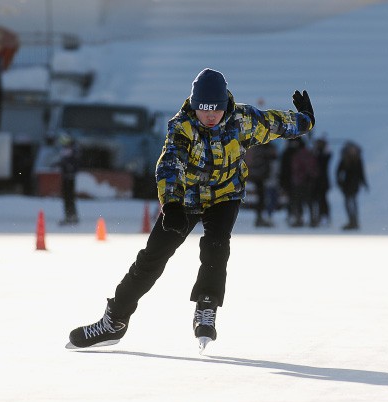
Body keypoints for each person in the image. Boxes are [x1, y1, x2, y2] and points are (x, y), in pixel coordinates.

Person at [67, 68, 315, 350]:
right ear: (194, 105)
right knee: (152, 258)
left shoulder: (243, 120)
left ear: (225, 106)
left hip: (225, 195)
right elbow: (170, 163)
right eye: (203, 109)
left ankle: (206, 307)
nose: (209, 116)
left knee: (216, 246)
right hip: (185, 199)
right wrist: (171, 203)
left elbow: (277, 124)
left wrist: (306, 120)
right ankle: (114, 321)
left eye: (216, 110)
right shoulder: (182, 126)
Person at [336, 141, 367, 230]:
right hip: (346, 185)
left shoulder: (358, 160)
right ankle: (351, 220)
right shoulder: (344, 159)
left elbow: (361, 173)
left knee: (353, 202)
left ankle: (355, 221)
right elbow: (338, 172)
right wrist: (340, 182)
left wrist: (364, 183)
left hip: (354, 185)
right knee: (348, 203)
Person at [245, 142, 277, 227]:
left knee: (261, 197)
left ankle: (260, 217)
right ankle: (260, 218)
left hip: (258, 175)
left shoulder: (256, 147)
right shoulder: (262, 149)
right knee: (261, 198)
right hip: (260, 176)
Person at [56, 134, 80, 225]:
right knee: (67, 197)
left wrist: (68, 168)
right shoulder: (67, 150)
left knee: (69, 196)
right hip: (66, 175)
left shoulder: (73, 150)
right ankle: (69, 215)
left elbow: (73, 163)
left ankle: (71, 216)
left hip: (70, 176)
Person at [311, 137, 332, 227]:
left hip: (323, 182)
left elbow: (328, 156)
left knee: (323, 200)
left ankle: (324, 216)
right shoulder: (315, 154)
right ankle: (317, 217)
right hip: (315, 182)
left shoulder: (324, 155)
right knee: (315, 200)